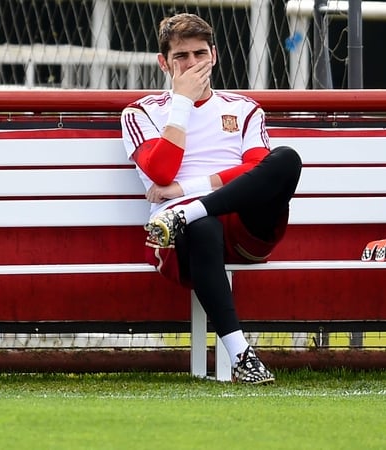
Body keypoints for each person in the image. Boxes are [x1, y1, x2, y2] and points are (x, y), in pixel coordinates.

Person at [120, 13, 302, 384]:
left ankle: (191, 212)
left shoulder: (244, 108)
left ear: (214, 55)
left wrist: (188, 193)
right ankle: (242, 356)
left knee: (285, 159)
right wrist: (182, 102)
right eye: (181, 57)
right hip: (179, 238)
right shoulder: (140, 112)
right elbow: (161, 173)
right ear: (163, 62)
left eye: (199, 54)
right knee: (201, 226)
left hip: (242, 226)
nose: (192, 65)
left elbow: (256, 171)